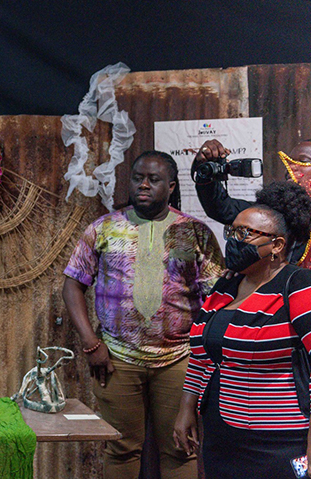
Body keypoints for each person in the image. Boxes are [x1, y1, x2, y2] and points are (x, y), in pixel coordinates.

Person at [173, 181, 311, 479]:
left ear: (276, 245)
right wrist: (187, 408)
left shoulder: (302, 286)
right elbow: (202, 355)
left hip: (286, 444)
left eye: (245, 234)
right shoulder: (226, 288)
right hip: (225, 440)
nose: (234, 241)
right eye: (231, 232)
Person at [62, 150, 225, 479]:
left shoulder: (195, 232)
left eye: (154, 180)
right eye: (138, 178)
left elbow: (218, 297)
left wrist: (206, 352)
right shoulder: (104, 228)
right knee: (120, 448)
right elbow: (72, 285)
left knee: (182, 446)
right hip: (117, 359)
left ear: (171, 185)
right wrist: (92, 343)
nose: (144, 185)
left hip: (180, 359)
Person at [193, 137, 311, 226]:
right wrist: (206, 170)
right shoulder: (275, 212)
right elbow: (222, 209)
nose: (291, 168)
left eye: (303, 162)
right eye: (288, 162)